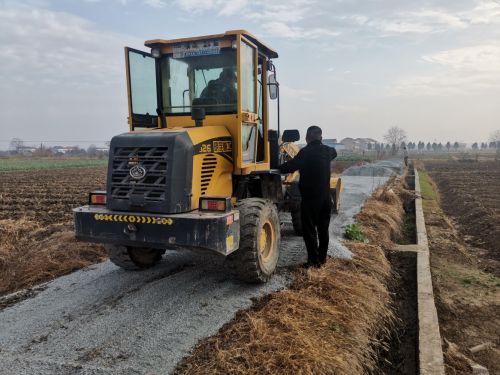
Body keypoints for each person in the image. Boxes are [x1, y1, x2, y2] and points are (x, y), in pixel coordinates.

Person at [278, 126, 337, 268]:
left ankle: (313, 261)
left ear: (306, 138)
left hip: (311, 200)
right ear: (321, 138)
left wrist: (275, 167)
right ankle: (322, 259)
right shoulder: (329, 151)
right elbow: (334, 153)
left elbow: (289, 167)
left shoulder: (305, 153)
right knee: (323, 230)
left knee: (309, 230)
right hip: (325, 199)